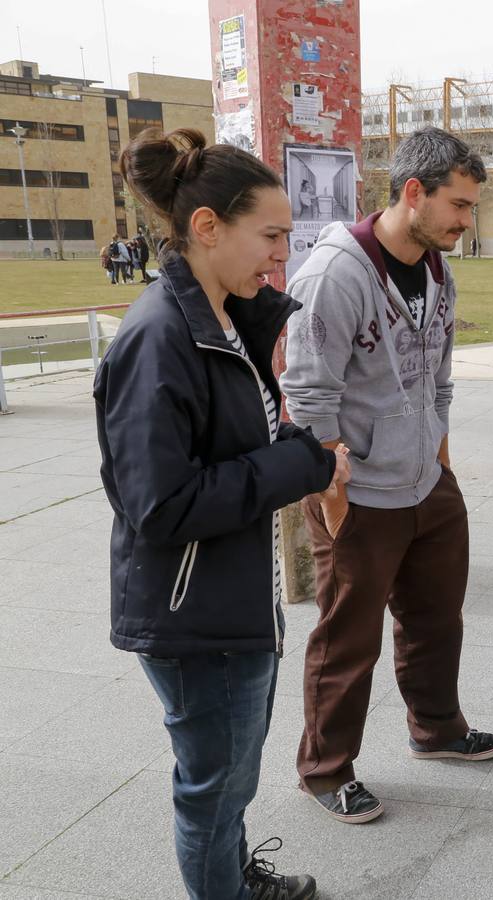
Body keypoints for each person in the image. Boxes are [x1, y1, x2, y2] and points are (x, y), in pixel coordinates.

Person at [94, 127, 344, 900]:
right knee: (213, 785)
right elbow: (160, 504)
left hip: (228, 596)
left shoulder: (224, 321)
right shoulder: (160, 339)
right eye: (270, 235)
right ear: (208, 227)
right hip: (189, 615)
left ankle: (234, 878)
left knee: (230, 775)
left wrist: (267, 322)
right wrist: (301, 462)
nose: (282, 254)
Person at [281, 127, 493, 825]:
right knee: (349, 638)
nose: (467, 222)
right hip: (357, 492)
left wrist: (438, 460)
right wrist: (333, 493)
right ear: (414, 192)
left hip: (425, 483)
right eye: (459, 206)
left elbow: (438, 378)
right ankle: (325, 770)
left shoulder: (438, 268)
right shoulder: (335, 272)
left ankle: (435, 729)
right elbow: (308, 394)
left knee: (437, 618)